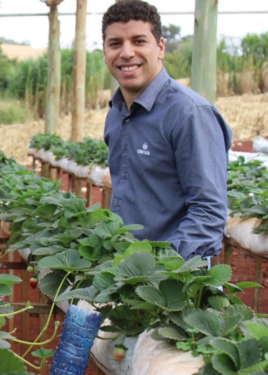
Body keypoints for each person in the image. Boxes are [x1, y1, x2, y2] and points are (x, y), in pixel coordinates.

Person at [101, 0, 232, 261]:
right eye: (115, 43)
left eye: (139, 41)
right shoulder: (116, 113)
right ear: (105, 52)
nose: (126, 53)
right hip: (129, 269)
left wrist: (162, 267)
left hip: (177, 276)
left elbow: (208, 211)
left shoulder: (188, 113)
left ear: (160, 48)